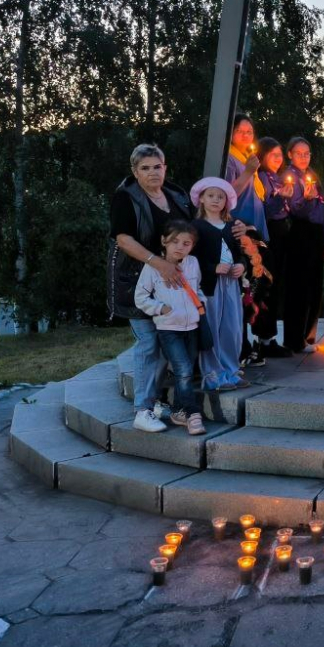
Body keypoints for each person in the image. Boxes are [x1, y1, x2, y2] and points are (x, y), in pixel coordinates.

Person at [107, 143, 193, 433]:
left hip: (170, 284)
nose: (153, 172)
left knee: (167, 342)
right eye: (145, 168)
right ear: (135, 171)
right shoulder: (126, 198)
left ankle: (155, 400)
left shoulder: (176, 194)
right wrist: (159, 263)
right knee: (148, 343)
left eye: (157, 166)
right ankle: (142, 411)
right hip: (135, 280)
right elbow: (123, 240)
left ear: (165, 167)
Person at [225, 116, 291, 364]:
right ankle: (247, 345)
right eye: (240, 131)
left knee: (262, 286)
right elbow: (227, 195)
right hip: (241, 233)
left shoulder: (246, 160)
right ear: (230, 134)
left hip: (257, 233)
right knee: (250, 289)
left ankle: (262, 340)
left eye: (249, 131)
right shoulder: (231, 160)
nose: (245, 135)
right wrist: (250, 171)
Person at [133, 220, 206, 435]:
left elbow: (197, 288)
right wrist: (160, 308)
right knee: (183, 370)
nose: (179, 247)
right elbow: (140, 297)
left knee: (187, 370)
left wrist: (200, 306)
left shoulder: (192, 263)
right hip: (168, 328)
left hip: (191, 326)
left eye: (186, 243)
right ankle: (192, 413)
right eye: (174, 241)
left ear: (192, 246)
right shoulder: (153, 268)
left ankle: (177, 411)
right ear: (164, 241)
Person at [191, 177, 250, 391]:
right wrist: (212, 268)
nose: (216, 200)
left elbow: (240, 253)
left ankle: (231, 371)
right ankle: (213, 375)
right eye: (211, 196)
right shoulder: (196, 227)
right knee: (213, 327)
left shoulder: (233, 226)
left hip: (231, 284)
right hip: (210, 286)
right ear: (202, 199)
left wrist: (242, 266)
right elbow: (191, 258)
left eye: (220, 196)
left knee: (232, 327)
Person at [241, 136, 294, 365]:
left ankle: (268, 337)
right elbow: (266, 211)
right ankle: (263, 339)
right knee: (266, 285)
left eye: (280, 154)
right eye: (273, 154)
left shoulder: (275, 178)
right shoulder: (260, 177)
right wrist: (279, 198)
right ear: (261, 157)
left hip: (280, 234)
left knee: (275, 284)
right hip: (268, 234)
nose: (278, 158)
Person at [282, 137, 324, 354]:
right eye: (299, 153)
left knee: (314, 285)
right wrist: (308, 199)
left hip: (316, 234)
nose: (303, 157)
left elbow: (322, 210)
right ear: (290, 154)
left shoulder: (312, 176)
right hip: (300, 233)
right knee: (298, 287)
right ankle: (294, 339)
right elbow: (296, 211)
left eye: (307, 153)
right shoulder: (288, 177)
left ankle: (307, 336)